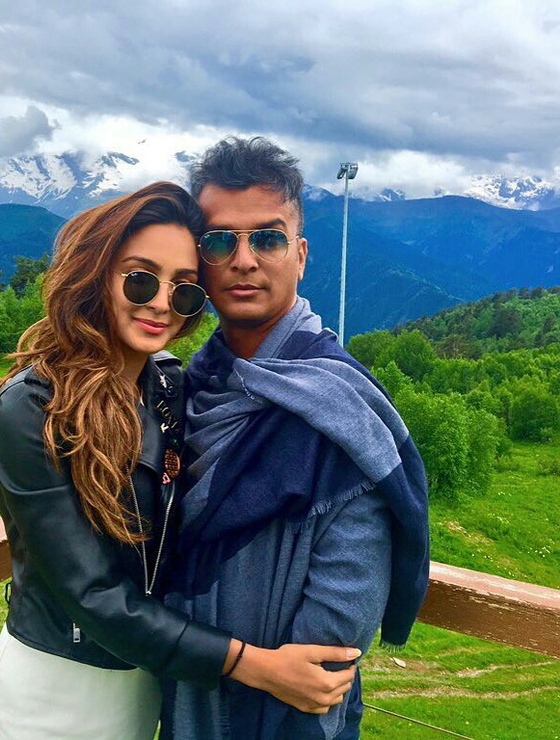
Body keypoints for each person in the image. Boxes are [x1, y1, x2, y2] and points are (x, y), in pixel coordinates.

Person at [0, 181, 362, 740]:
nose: (161, 303)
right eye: (140, 279)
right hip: (55, 687)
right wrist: (255, 665)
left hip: (148, 681)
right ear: (95, 275)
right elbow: (92, 594)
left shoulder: (166, 388)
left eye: (183, 290)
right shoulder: (33, 409)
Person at [162, 139, 430, 739]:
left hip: (287, 721)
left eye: (268, 238)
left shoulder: (339, 406)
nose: (244, 260)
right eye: (219, 241)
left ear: (300, 255)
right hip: (185, 697)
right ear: (198, 261)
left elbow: (336, 629)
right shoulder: (188, 389)